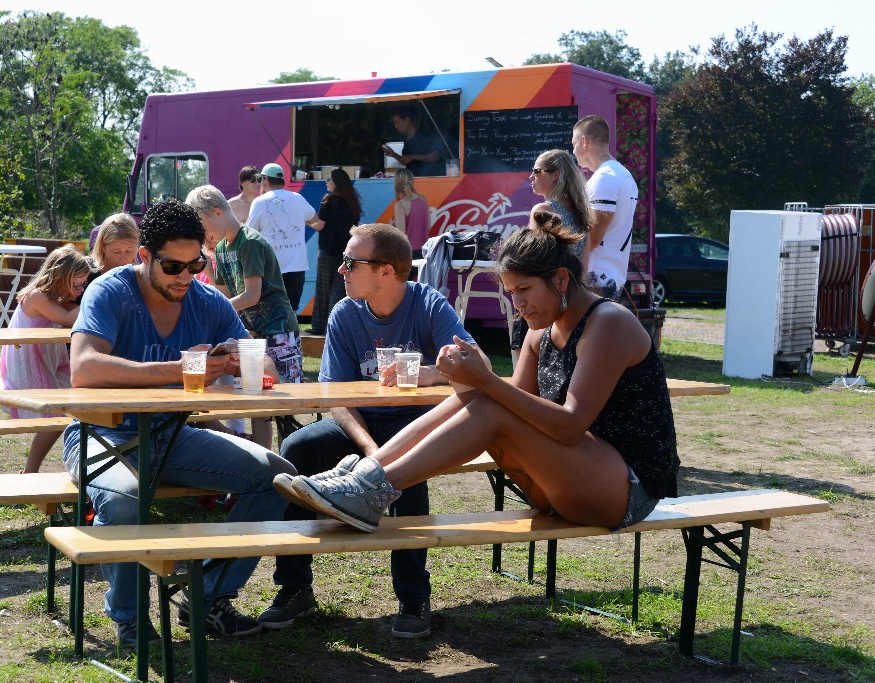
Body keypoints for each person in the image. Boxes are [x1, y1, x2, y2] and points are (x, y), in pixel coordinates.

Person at [279, 213, 678, 572]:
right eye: (510, 292)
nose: (517, 303)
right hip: (565, 482)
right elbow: (502, 401)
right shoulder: (541, 328)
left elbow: (571, 425)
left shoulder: (607, 321)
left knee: (490, 402)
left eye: (524, 289)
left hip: (628, 489)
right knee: (482, 399)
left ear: (559, 280)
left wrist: (484, 379)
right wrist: (470, 381)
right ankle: (366, 476)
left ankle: (373, 489)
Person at [62, 198, 296, 646]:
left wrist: (238, 359)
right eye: (174, 267)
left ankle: (207, 597)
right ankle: (130, 617)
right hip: (101, 434)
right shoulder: (110, 290)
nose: (187, 277)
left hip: (172, 434)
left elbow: (264, 364)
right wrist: (180, 369)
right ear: (145, 256)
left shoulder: (206, 299)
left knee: (278, 477)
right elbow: (84, 368)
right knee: (126, 499)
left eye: (197, 265)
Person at [258, 223, 483, 640]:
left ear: (386, 271)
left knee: (408, 472)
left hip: (414, 426)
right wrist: (369, 449)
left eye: (350, 262)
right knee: (295, 447)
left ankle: (414, 597)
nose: (340, 269)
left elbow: (477, 363)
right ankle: (294, 588)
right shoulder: (345, 313)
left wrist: (432, 371)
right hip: (360, 428)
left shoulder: (429, 304)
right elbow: (335, 398)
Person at [186, 184, 304, 448]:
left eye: (203, 229)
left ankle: (292, 464)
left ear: (217, 212)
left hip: (279, 331)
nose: (204, 237)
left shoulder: (249, 242)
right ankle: (264, 461)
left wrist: (220, 312)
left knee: (285, 404)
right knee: (257, 404)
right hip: (251, 336)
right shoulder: (220, 249)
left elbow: (251, 295)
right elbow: (223, 291)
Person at [0, 245, 91, 473]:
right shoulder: (37, 296)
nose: (80, 290)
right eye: (76, 285)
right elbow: (70, 319)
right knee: (54, 418)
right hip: (30, 364)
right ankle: (30, 470)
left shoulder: (59, 296)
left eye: (84, 285)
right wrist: (96, 294)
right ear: (59, 278)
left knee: (86, 395)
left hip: (50, 360)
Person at [511, 150, 594, 357]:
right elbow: (583, 268)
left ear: (555, 174)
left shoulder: (543, 210)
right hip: (570, 299)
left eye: (537, 171)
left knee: (527, 369)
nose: (531, 176)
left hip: (539, 299)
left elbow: (528, 262)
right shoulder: (581, 215)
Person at [571, 115, 639, 300]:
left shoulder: (605, 178)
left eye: (574, 144)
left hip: (596, 279)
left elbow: (592, 237)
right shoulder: (623, 174)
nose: (573, 151)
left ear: (584, 141)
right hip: (610, 276)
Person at [245, 162, 321, 312]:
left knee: (270, 313)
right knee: (290, 312)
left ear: (266, 179)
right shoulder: (297, 198)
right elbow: (315, 219)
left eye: (260, 180)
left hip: (271, 268)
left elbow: (249, 233)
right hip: (297, 267)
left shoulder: (259, 202)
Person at [309, 168, 362, 335]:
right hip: (346, 253)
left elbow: (320, 225)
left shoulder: (328, 201)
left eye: (329, 179)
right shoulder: (352, 201)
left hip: (326, 251)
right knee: (338, 292)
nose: (326, 182)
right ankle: (334, 328)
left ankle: (318, 327)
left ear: (336, 182)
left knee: (323, 291)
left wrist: (306, 221)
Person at [383, 105, 446, 177]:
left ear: (407, 120)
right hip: (411, 180)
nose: (396, 126)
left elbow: (435, 156)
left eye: (397, 122)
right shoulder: (405, 137)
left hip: (426, 179)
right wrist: (394, 155)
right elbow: (406, 160)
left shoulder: (424, 134)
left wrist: (413, 157)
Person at [391, 168, 431, 256]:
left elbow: (400, 236)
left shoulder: (400, 205)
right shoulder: (423, 199)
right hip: (425, 251)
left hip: (409, 253)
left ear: (396, 184)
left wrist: (392, 225)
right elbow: (428, 226)